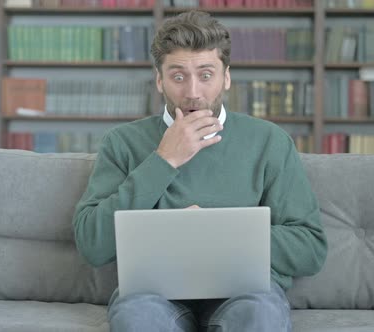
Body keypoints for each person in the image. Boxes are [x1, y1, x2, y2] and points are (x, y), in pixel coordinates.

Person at [72, 10, 327, 332]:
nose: (193, 92)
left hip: (245, 292)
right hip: (152, 293)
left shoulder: (269, 141)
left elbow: (310, 249)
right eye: (178, 76)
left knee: (260, 315)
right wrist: (164, 160)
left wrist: (215, 232)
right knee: (137, 316)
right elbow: (93, 244)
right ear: (160, 80)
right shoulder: (123, 142)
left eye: (206, 75)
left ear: (226, 78)